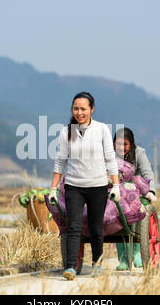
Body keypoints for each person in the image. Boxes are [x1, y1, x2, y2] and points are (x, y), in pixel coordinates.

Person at [49, 92, 120, 280]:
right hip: (74, 186)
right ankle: (71, 267)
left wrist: (116, 186)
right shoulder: (66, 132)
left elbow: (110, 159)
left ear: (92, 109)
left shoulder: (102, 129)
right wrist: (53, 188)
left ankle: (97, 263)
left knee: (96, 228)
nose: (79, 112)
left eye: (83, 109)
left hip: (98, 186)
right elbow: (60, 162)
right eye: (75, 108)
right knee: (73, 226)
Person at [113, 127, 157, 270]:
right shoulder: (109, 153)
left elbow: (147, 173)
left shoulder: (139, 153)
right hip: (114, 190)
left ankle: (137, 254)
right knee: (114, 215)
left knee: (137, 211)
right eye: (118, 144)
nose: (121, 148)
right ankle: (123, 259)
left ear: (131, 144)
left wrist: (150, 191)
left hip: (135, 190)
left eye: (125, 144)